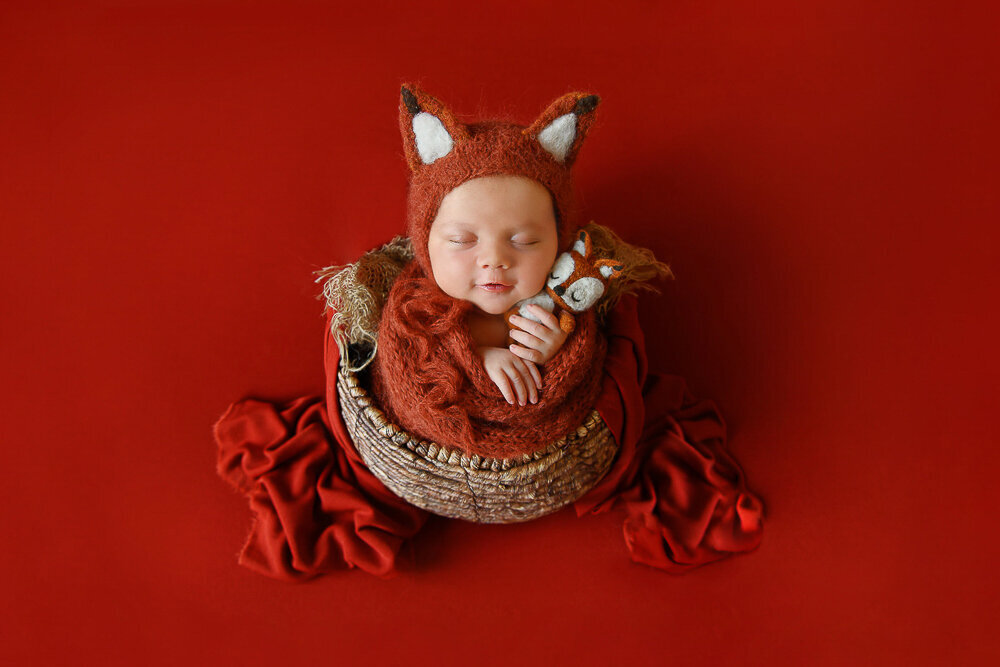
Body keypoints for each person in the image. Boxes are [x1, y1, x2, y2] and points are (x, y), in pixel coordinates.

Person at [213, 84, 765, 580]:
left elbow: (583, 359)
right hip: (434, 440)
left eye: (523, 242)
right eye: (462, 241)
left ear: (559, 243)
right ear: (425, 242)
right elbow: (406, 366)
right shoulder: (413, 299)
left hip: (546, 446)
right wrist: (480, 357)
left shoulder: (557, 301)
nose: (494, 263)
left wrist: (553, 349)